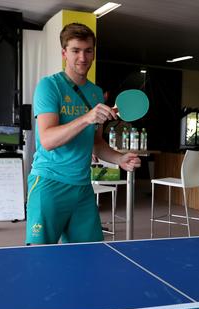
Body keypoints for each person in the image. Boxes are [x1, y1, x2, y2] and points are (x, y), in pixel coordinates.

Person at [26, 23, 141, 245]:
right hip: (49, 183)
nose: (82, 57)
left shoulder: (96, 92)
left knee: (89, 255)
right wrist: (87, 117)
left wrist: (119, 158)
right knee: (39, 258)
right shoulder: (49, 87)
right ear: (64, 53)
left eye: (88, 50)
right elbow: (48, 140)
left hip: (82, 188)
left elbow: (95, 142)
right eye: (75, 50)